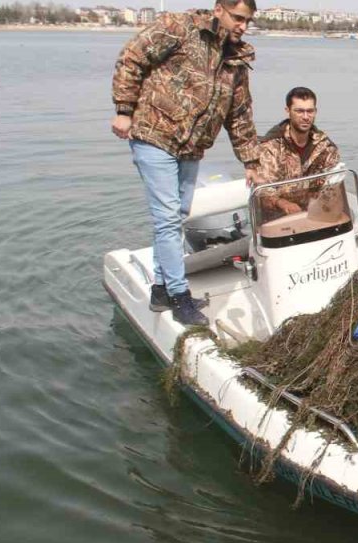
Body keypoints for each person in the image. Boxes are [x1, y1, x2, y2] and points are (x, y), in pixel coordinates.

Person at [111, 0, 260, 326]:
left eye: (247, 21)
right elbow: (132, 57)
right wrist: (124, 110)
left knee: (177, 216)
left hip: (191, 148)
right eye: (238, 18)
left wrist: (251, 160)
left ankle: (161, 290)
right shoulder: (179, 27)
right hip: (154, 136)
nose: (243, 27)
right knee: (167, 220)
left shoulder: (236, 59)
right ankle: (180, 298)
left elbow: (239, 115)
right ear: (219, 9)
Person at [252, 87, 342, 219]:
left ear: (315, 112)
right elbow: (262, 189)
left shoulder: (326, 147)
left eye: (310, 111)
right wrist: (282, 204)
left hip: (315, 215)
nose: (305, 117)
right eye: (299, 111)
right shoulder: (270, 147)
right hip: (276, 219)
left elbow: (333, 182)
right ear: (288, 111)